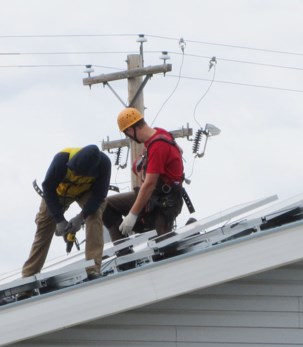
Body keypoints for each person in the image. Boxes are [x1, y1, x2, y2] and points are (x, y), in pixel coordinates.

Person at [20, 144, 111, 279]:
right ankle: (28, 276)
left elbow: (99, 196)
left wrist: (81, 217)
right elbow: (48, 189)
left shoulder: (104, 164)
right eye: (72, 170)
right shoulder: (62, 160)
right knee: (44, 228)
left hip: (85, 193)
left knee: (95, 213)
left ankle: (93, 269)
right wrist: (59, 220)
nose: (73, 174)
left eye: (77, 173)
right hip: (57, 194)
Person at [103, 107, 185, 242]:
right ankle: (125, 255)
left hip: (166, 201)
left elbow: (150, 184)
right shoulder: (158, 134)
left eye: (127, 134)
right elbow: (137, 167)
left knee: (164, 246)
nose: (129, 138)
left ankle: (185, 235)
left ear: (131, 130)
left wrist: (133, 214)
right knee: (107, 206)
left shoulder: (158, 145)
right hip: (152, 197)